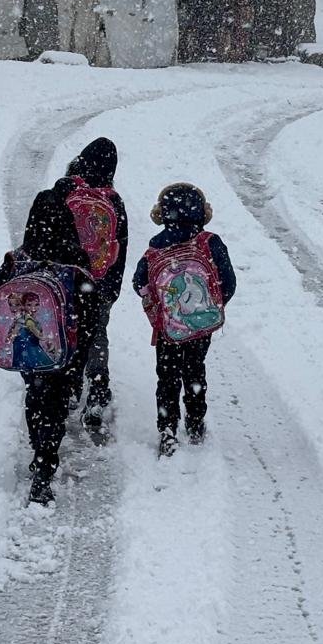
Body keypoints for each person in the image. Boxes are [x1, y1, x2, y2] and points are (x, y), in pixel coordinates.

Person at [0, 180, 92, 506]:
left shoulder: (16, 259)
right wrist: (80, 353)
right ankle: (46, 464)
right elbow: (89, 312)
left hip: (27, 351)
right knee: (56, 405)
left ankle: (38, 448)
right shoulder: (75, 262)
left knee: (36, 396)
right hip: (62, 351)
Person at [132, 183, 238, 457]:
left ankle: (168, 430)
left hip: (169, 329)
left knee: (167, 377)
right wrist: (212, 305)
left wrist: (162, 309)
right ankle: (195, 423)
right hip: (201, 325)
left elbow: (138, 283)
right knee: (195, 370)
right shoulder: (209, 242)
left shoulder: (154, 250)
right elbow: (228, 281)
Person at [61, 137, 129, 440]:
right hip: (99, 282)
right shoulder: (113, 201)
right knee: (96, 332)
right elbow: (119, 248)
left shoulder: (66, 190)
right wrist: (111, 288)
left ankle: (68, 387)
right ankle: (98, 389)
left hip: (66, 279)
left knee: (66, 329)